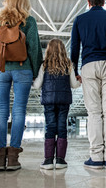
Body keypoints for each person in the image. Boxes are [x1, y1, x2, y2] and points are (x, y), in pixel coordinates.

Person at [0, 0, 42, 171]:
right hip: (23, 69)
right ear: (25, 3)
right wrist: (36, 70)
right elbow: (34, 48)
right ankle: (13, 158)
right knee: (19, 110)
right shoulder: (28, 21)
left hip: (0, 69)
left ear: (7, 2)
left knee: (1, 111)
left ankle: (0, 159)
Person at [70, 0, 106, 169]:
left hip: (88, 66)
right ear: (103, 1)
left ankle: (96, 156)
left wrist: (75, 71)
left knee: (94, 113)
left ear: (88, 2)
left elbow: (75, 48)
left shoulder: (79, 20)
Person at [33, 38, 81, 170]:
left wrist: (32, 81)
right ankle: (60, 160)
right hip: (64, 100)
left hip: (48, 101)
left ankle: (48, 160)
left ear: (48, 50)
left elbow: (37, 85)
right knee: (62, 128)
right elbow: (74, 84)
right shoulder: (68, 64)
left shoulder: (44, 65)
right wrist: (79, 81)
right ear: (63, 50)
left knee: (50, 128)